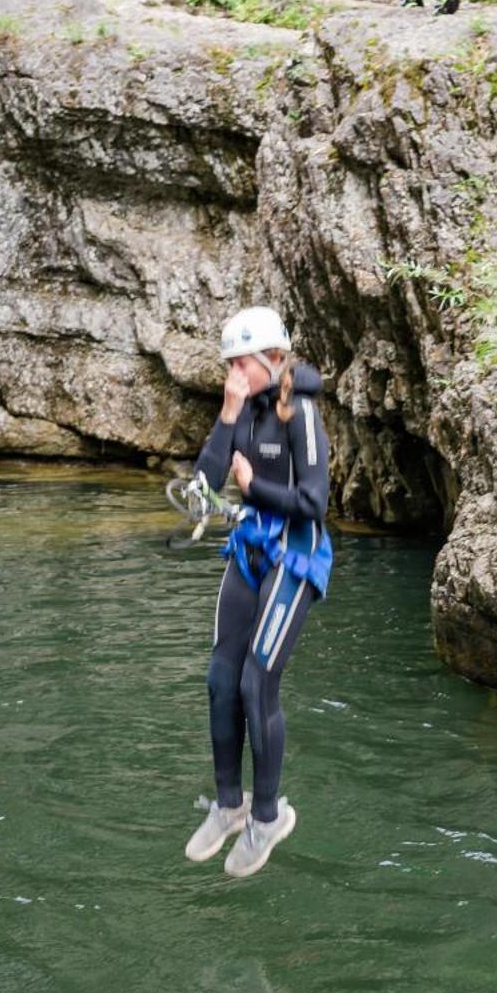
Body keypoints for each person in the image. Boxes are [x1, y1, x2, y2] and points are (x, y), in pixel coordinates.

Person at [183, 305, 332, 879]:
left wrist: (254, 486)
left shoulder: (303, 414)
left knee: (255, 680)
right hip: (250, 548)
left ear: (272, 358)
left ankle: (268, 817)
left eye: (242, 362)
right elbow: (206, 483)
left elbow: (314, 502)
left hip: (296, 552)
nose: (235, 371)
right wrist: (227, 413)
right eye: (229, 364)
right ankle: (230, 805)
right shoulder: (241, 408)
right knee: (221, 679)